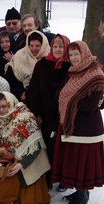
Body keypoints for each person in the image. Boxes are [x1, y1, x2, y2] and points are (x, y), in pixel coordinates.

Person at [51, 41, 104, 204]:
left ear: (84, 53)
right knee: (74, 161)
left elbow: (90, 104)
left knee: (82, 161)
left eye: (77, 54)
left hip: (86, 129)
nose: (74, 58)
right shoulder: (73, 73)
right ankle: (79, 191)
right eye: (71, 55)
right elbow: (60, 94)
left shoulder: (95, 75)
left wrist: (69, 103)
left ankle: (82, 194)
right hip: (72, 125)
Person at [27, 34, 71, 191]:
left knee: (63, 149)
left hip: (64, 116)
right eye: (56, 46)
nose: (58, 49)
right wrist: (37, 112)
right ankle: (48, 176)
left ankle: (64, 179)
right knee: (47, 147)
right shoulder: (43, 64)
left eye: (61, 46)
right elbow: (34, 89)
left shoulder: (71, 65)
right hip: (46, 114)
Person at [4, 30, 50, 102]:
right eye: (31, 45)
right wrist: (20, 93)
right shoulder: (19, 56)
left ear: (43, 45)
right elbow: (11, 79)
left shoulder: (49, 59)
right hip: (20, 100)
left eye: (37, 46)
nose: (34, 48)